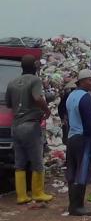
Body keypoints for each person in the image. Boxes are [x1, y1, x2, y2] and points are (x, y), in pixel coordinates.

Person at [5, 55, 53, 204]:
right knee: (36, 160)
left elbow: (8, 104)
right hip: (31, 125)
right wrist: (46, 111)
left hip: (16, 126)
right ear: (35, 66)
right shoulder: (35, 80)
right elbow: (37, 97)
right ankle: (38, 193)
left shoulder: (12, 82)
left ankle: (21, 196)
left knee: (20, 161)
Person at [65, 69, 91, 216]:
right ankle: (77, 206)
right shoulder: (86, 98)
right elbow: (90, 121)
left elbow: (65, 114)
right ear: (81, 82)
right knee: (82, 171)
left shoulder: (71, 95)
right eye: (89, 80)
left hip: (72, 137)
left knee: (73, 171)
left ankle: (73, 204)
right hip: (83, 139)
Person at [58, 80, 78, 145]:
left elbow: (60, 106)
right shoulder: (69, 95)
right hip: (69, 115)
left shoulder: (68, 94)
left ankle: (68, 142)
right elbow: (61, 106)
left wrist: (62, 117)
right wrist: (63, 117)